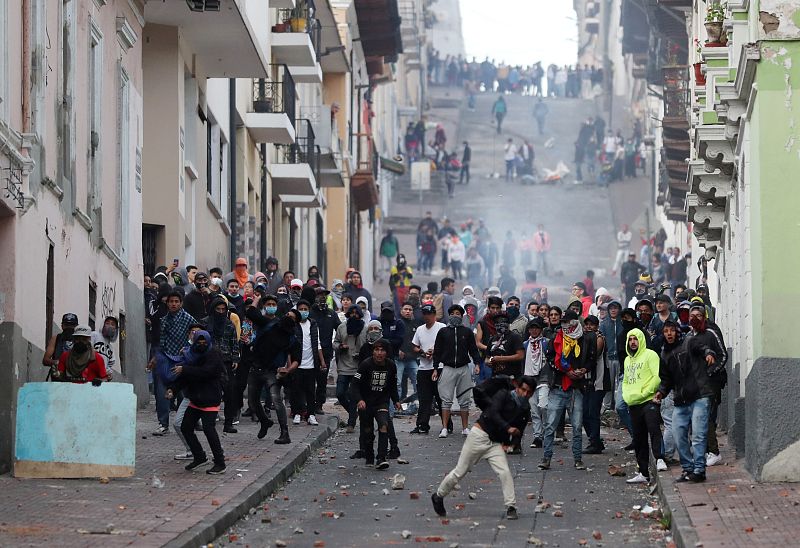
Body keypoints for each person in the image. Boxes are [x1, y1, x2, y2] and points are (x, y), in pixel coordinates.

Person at [432, 375, 536, 521]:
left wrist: (511, 443)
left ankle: (511, 507)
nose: (525, 394)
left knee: (504, 472)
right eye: (523, 390)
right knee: (459, 472)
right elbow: (493, 413)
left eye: (529, 392)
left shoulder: (525, 409)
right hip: (479, 436)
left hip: (494, 444)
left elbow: (519, 431)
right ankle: (438, 496)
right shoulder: (504, 395)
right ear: (517, 387)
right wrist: (507, 428)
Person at [165, 330, 227, 475]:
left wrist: (185, 369)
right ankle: (199, 456)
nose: (201, 344)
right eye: (198, 341)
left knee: (208, 429)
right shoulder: (190, 355)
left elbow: (206, 372)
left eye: (204, 341)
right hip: (196, 398)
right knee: (186, 427)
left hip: (210, 397)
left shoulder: (213, 354)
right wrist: (172, 390)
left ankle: (220, 462)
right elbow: (183, 378)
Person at [539, 310, 590, 470]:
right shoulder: (557, 338)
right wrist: (566, 371)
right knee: (550, 426)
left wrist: (583, 370)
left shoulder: (585, 339)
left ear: (576, 322)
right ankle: (546, 458)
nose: (566, 326)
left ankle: (577, 459)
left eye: (569, 322)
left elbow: (591, 359)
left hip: (576, 389)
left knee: (576, 426)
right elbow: (550, 359)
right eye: (564, 323)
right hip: (559, 387)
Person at [148, 290, 197, 436]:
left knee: (183, 392)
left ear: (181, 303)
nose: (173, 304)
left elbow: (194, 340)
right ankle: (163, 424)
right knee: (162, 392)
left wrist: (189, 354)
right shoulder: (163, 321)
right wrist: (156, 358)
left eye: (176, 301)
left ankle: (188, 422)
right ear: (167, 303)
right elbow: (160, 342)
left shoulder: (189, 320)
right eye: (171, 301)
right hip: (165, 360)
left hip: (183, 360)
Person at [621, 329, 665, 484]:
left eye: (635, 339)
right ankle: (643, 472)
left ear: (641, 340)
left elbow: (656, 377)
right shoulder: (627, 360)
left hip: (648, 400)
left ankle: (660, 459)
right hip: (633, 403)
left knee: (653, 430)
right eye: (630, 339)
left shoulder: (650, 355)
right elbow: (625, 381)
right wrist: (626, 396)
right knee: (638, 438)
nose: (633, 342)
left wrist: (645, 392)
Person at [433, 304, 481, 438]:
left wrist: (477, 363)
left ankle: (465, 428)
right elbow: (437, 351)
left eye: (458, 313)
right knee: (446, 400)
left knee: (465, 400)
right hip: (448, 368)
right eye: (453, 313)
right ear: (449, 315)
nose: (455, 315)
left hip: (463, 368)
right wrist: (436, 368)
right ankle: (444, 428)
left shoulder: (467, 332)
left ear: (462, 316)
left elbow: (473, 350)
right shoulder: (443, 332)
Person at [355, 339, 402, 469]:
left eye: (382, 350)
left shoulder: (391, 366)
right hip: (366, 403)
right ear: (373, 352)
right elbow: (354, 386)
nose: (379, 353)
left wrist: (396, 400)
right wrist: (359, 400)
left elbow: (392, 385)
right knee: (368, 431)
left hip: (382, 402)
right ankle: (369, 456)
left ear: (386, 353)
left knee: (384, 425)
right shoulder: (365, 365)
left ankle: (381, 458)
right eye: (376, 350)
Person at [201, 296, 241, 433]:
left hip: (226, 361)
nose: (220, 312)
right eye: (218, 309)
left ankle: (228, 422)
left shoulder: (229, 324)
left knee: (229, 392)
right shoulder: (205, 324)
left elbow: (234, 342)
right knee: (209, 392)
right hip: (209, 361)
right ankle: (208, 421)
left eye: (223, 309)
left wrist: (235, 359)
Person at [410, 304, 446, 434]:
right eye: (424, 314)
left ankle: (447, 425)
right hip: (424, 367)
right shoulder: (420, 329)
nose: (427, 317)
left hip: (439, 367)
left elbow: (448, 344)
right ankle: (422, 424)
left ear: (434, 314)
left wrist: (436, 351)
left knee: (440, 397)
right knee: (424, 398)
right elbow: (414, 346)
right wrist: (422, 352)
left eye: (429, 314)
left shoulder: (442, 327)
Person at [334, 305, 368, 433]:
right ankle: (353, 413)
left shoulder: (365, 329)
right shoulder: (341, 327)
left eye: (356, 313)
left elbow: (368, 346)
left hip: (358, 367)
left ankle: (351, 423)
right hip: (343, 365)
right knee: (340, 393)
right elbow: (335, 342)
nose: (354, 315)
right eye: (352, 313)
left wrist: (362, 354)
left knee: (354, 395)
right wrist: (340, 347)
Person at [582, 315, 610, 454]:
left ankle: (594, 442)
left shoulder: (599, 338)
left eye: (591, 324)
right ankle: (596, 441)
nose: (588, 327)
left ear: (597, 326)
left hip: (598, 381)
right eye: (586, 324)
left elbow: (593, 356)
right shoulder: (584, 338)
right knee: (584, 413)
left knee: (592, 412)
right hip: (587, 381)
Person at [310, 287, 341, 415]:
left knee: (322, 381)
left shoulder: (331, 313)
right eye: (319, 295)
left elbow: (340, 329)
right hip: (310, 353)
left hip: (326, 353)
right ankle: (309, 404)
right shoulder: (310, 312)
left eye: (324, 295)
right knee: (309, 381)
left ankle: (319, 405)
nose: (322, 297)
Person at [523, 317, 551, 448]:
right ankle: (537, 436)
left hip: (544, 379)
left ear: (541, 330)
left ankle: (547, 432)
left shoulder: (546, 343)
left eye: (536, 328)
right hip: (529, 380)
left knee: (543, 406)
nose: (534, 331)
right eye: (531, 328)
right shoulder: (525, 345)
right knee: (534, 410)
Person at [42, 313, 79, 378]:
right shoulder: (56, 339)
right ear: (62, 326)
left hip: (76, 379)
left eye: (72, 325)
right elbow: (45, 360)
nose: (69, 327)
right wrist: (57, 362)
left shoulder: (80, 340)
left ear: (77, 327)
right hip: (58, 378)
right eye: (67, 325)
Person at [397, 302, 421, 402]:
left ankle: (419, 404)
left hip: (412, 359)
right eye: (405, 309)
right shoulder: (397, 323)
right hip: (399, 359)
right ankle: (395, 405)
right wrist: (396, 351)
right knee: (397, 383)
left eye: (410, 310)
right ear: (401, 311)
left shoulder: (416, 324)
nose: (408, 311)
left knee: (418, 381)